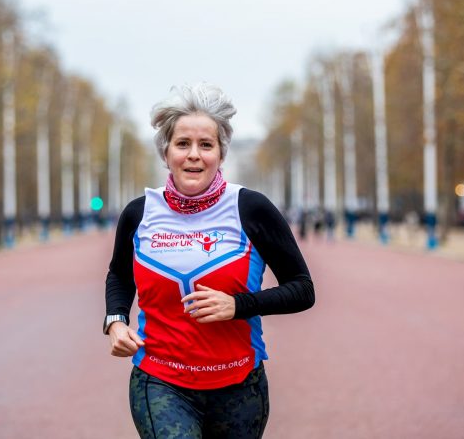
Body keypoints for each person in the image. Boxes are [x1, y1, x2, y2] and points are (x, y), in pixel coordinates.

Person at [104, 83, 315, 439]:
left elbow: (302, 289)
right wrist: (115, 321)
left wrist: (238, 305)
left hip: (239, 384)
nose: (194, 155)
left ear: (220, 153)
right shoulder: (140, 214)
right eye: (182, 144)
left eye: (206, 145)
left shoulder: (251, 208)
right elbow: (119, 276)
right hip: (160, 380)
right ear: (166, 151)